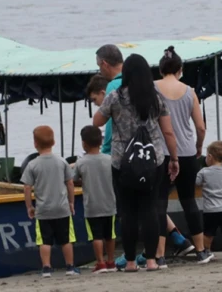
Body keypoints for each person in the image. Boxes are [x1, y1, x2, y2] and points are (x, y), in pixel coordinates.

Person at [93, 53, 180, 272]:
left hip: (123, 163)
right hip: (153, 161)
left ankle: (130, 262)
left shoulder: (115, 97)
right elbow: (168, 131)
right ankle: (151, 261)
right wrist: (174, 158)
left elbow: (97, 121)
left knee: (128, 212)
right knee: (150, 209)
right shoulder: (155, 97)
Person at [154, 46, 212, 266]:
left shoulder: (152, 89)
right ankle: (200, 251)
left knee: (159, 204)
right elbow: (200, 126)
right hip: (187, 152)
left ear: (160, 70)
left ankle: (159, 255)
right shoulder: (189, 91)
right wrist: (198, 147)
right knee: (189, 201)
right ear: (180, 69)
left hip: (161, 152)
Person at [21, 126, 78, 278]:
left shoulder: (32, 164)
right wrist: (71, 202)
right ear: (53, 142)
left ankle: (46, 268)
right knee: (66, 239)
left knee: (45, 241)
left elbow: (27, 187)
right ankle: (70, 267)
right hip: (62, 208)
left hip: (43, 209)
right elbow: (70, 183)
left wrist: (29, 206)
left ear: (35, 144)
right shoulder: (61, 162)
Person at [75, 125, 117, 274]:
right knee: (110, 234)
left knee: (96, 236)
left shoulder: (81, 162)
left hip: (92, 205)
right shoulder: (110, 159)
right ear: (101, 142)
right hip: (110, 203)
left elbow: (74, 179)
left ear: (84, 143)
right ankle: (111, 261)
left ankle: (100, 262)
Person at [196, 141, 222, 262]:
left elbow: (196, 183)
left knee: (209, 232)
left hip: (210, 209)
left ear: (209, 157)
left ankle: (206, 251)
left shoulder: (203, 172)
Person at [96, 45, 124, 154]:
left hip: (119, 152)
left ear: (105, 64)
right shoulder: (138, 80)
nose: (100, 70)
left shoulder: (113, 86)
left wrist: (106, 150)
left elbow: (110, 124)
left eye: (99, 66)